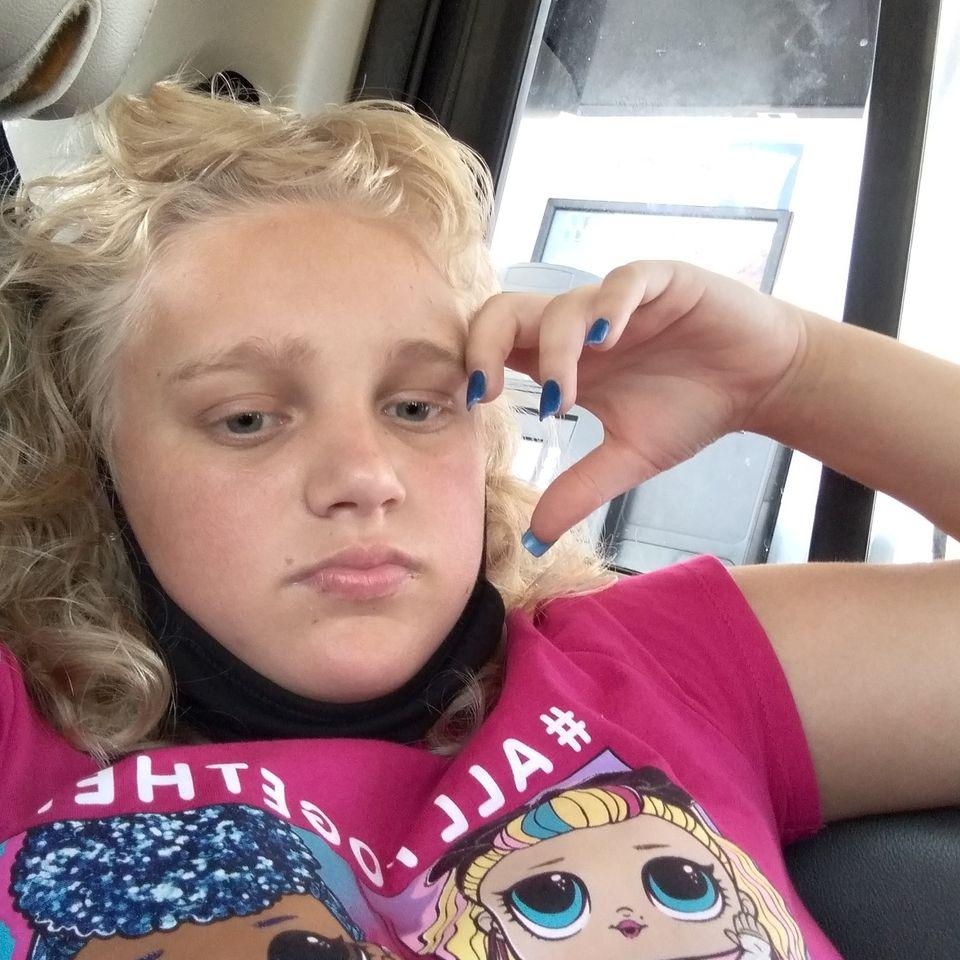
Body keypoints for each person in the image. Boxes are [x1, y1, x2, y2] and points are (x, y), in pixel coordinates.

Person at [0, 79, 956, 960]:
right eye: (247, 419)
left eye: (417, 406)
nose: (366, 476)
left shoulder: (663, 666)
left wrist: (792, 375)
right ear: (96, 460)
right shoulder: (28, 733)